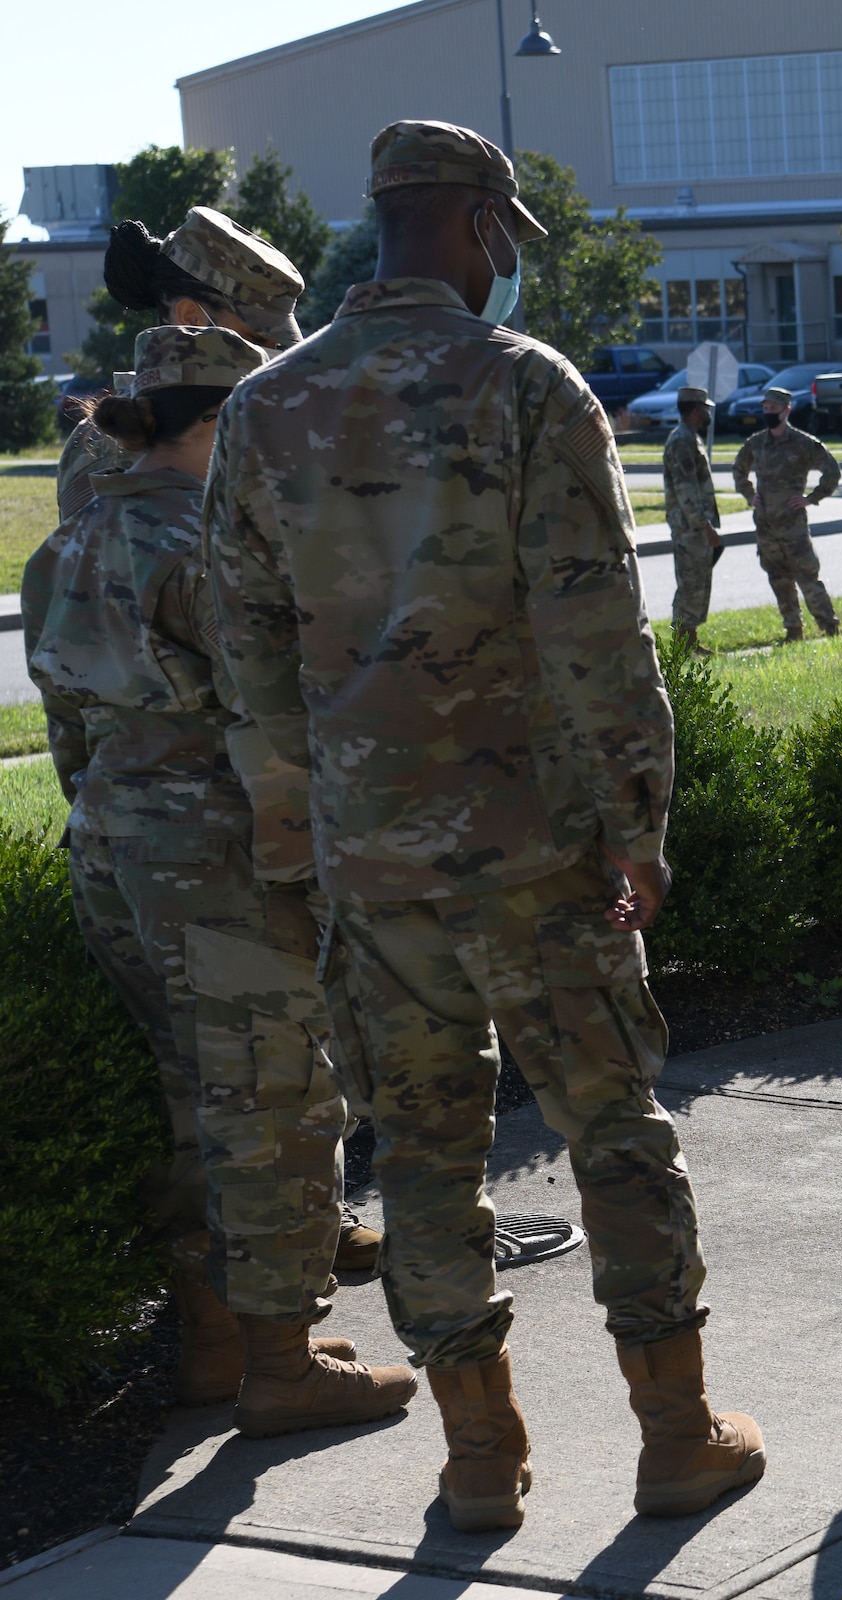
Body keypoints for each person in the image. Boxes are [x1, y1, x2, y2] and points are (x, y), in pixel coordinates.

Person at [202, 119, 764, 1532]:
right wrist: (638, 819)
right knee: (617, 1134)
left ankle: (477, 1462)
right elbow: (595, 624)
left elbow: (247, 649)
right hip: (541, 855)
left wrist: (297, 832)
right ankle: (677, 1434)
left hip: (373, 868)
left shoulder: (265, 409)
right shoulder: (524, 385)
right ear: (476, 229)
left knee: (427, 1158)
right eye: (504, 238)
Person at [23, 327, 418, 1436]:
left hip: (114, 845)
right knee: (278, 1103)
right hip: (220, 857)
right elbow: (288, 707)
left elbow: (68, 724)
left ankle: (220, 1339)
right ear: (216, 425)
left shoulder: (79, 535)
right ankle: (283, 1364)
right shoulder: (205, 549)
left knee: (194, 1096)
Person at [45, 203, 385, 1280]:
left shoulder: (177, 439)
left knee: (255, 1056)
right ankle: (265, 1301)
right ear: (197, 315)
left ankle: (298, 1234)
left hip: (160, 809)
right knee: (255, 1061)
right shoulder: (123, 466)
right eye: (256, 333)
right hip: (204, 799)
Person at [55, 208, 305, 524]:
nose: (271, 356)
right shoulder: (102, 445)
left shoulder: (259, 421)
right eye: (256, 338)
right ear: (192, 319)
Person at [730, 387, 840, 642]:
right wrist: (749, 495)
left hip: (793, 526)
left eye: (773, 409)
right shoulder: (756, 443)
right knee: (778, 579)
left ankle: (829, 626)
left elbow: (831, 471)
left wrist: (810, 499)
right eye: (765, 408)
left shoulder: (802, 443)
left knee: (807, 577)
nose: (768, 413)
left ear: (786, 410)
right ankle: (793, 630)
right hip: (766, 526)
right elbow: (738, 470)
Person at [663, 385, 724, 656]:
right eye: (705, 408)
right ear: (695, 410)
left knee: (697, 583)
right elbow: (685, 489)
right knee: (690, 584)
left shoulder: (690, 438)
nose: (708, 413)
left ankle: (689, 641)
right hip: (690, 529)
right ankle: (681, 647)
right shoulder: (681, 441)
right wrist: (705, 526)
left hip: (695, 527)